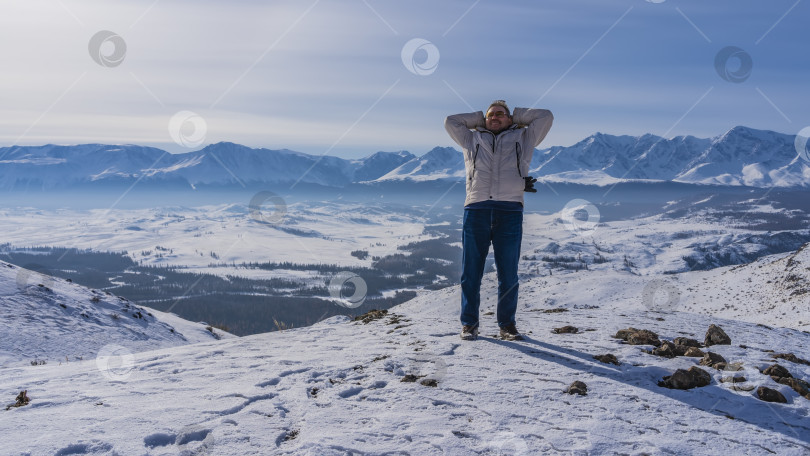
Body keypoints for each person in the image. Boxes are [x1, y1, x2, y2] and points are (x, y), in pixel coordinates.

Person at [444, 100, 553, 341]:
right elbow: (450, 121)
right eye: (491, 114)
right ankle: (469, 324)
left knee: (508, 273)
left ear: (510, 119)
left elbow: (545, 116)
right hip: (476, 208)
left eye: (500, 115)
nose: (495, 118)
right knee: (470, 272)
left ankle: (507, 326)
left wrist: (516, 117)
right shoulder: (471, 139)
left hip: (510, 209)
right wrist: (480, 118)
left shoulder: (524, 138)